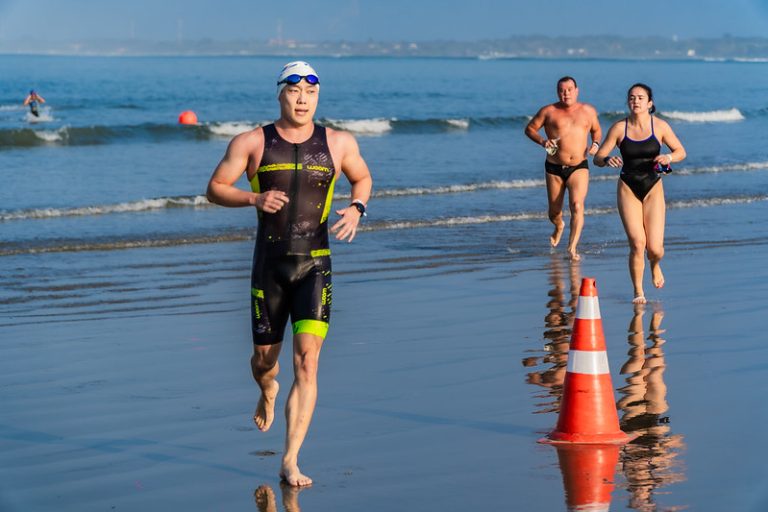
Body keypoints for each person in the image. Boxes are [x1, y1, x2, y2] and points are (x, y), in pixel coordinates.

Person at [206, 61, 373, 487]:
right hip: (270, 267)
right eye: (295, 91)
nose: (303, 99)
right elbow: (215, 188)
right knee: (265, 362)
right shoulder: (252, 142)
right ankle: (267, 388)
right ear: (280, 93)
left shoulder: (338, 142)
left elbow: (362, 177)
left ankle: (290, 459)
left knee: (307, 363)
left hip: (315, 264)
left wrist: (357, 207)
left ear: (318, 96)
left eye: (310, 92)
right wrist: (254, 199)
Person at [594, 83, 686, 303]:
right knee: (637, 243)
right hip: (628, 186)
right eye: (632, 97)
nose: (635, 101)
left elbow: (681, 151)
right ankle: (638, 291)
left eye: (640, 98)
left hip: (653, 187)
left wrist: (668, 157)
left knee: (655, 249)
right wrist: (607, 159)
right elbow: (597, 158)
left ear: (650, 103)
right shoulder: (619, 128)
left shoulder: (660, 126)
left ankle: (655, 264)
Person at [525, 76, 602, 260]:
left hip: (579, 166)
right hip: (554, 167)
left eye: (569, 90)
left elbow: (597, 130)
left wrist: (595, 144)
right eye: (561, 90)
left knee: (577, 205)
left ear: (577, 91)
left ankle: (572, 247)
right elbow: (530, 129)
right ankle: (559, 225)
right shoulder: (548, 111)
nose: (565, 93)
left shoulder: (588, 111)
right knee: (554, 212)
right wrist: (543, 141)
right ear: (557, 92)